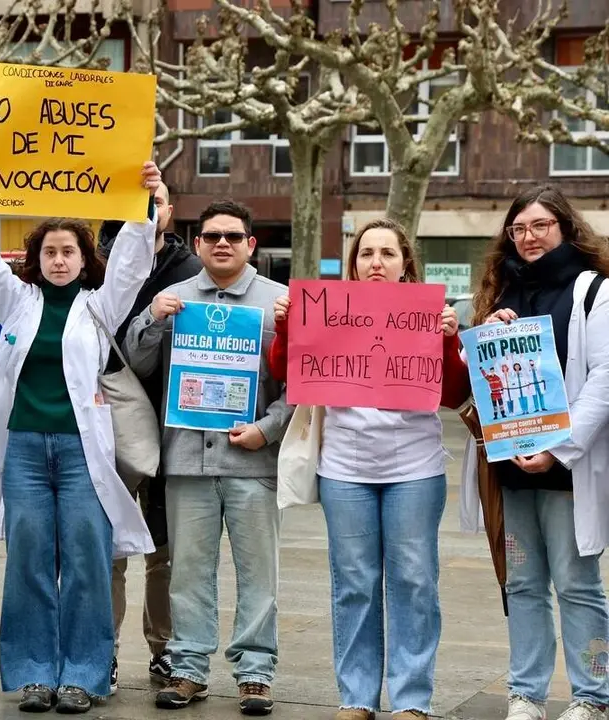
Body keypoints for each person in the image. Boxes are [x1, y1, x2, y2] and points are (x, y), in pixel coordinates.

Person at [0, 156, 160, 714]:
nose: (60, 260)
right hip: (21, 451)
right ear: (36, 260)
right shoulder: (16, 301)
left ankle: (85, 675)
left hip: (81, 453)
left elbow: (135, 261)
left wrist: (145, 200)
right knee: (29, 560)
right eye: (50, 252)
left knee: (89, 560)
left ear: (84, 259)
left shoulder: (99, 307)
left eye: (69, 252)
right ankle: (34, 673)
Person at [268, 218, 470, 720]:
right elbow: (286, 375)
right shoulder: (326, 311)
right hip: (345, 469)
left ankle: (411, 700)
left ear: (406, 265)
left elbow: (453, 394)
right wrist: (288, 328)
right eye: (366, 254)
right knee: (354, 583)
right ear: (354, 264)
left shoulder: (431, 314)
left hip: (415, 470)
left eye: (387, 253)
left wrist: (447, 342)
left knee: (415, 581)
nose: (376, 262)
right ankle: (356, 697)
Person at [122, 200, 291, 716]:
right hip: (186, 463)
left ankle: (256, 673)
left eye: (233, 237)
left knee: (258, 572)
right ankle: (188, 668)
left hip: (253, 462)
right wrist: (151, 319)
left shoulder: (279, 303)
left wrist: (267, 430)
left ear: (251, 245)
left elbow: (303, 384)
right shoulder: (171, 298)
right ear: (196, 244)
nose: (223, 243)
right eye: (212, 236)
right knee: (188, 571)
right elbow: (134, 363)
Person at [463, 186, 609, 720]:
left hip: (568, 469)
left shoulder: (594, 291)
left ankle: (592, 696)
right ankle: (526, 693)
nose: (528, 237)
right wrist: (481, 334)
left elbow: (605, 379)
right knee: (521, 581)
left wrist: (560, 449)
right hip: (511, 467)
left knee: (576, 583)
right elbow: (476, 376)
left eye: (540, 225)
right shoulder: (499, 290)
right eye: (519, 228)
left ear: (566, 228)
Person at [96, 183, 202, 692]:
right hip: (107, 430)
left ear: (170, 211)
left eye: (155, 198)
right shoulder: (93, 267)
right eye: (137, 197)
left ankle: (165, 650)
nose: (145, 207)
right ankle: (103, 649)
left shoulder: (192, 272)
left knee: (166, 551)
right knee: (108, 547)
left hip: (176, 426)